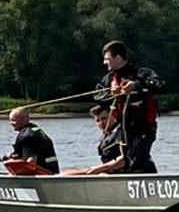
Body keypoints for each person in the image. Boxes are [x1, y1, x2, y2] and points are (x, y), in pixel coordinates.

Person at [94, 40, 164, 173]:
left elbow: (159, 85)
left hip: (143, 128)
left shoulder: (142, 73)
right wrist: (110, 93)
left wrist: (135, 86)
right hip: (123, 130)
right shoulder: (109, 79)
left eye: (107, 59)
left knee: (136, 160)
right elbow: (97, 96)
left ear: (118, 58)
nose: (104, 63)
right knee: (107, 149)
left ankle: (146, 182)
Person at [62, 104, 126, 175]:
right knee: (65, 174)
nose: (101, 123)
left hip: (119, 173)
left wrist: (98, 169)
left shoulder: (122, 133)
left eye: (104, 118)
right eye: (98, 120)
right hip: (105, 170)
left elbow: (123, 161)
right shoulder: (106, 135)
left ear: (113, 115)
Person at [3, 107, 59, 175]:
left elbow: (31, 162)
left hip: (43, 175)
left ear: (22, 119)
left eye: (13, 120)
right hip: (53, 172)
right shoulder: (35, 130)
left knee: (11, 163)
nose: (11, 123)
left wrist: (11, 165)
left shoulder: (26, 136)